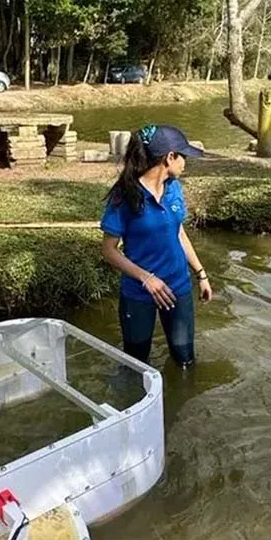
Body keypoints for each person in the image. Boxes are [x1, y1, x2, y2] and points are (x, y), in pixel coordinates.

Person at [100, 124, 213, 368]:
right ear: (169, 157)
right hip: (139, 293)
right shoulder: (125, 196)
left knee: (185, 360)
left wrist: (200, 273)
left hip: (178, 288)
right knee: (137, 364)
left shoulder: (174, 188)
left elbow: (179, 233)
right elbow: (108, 250)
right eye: (182, 156)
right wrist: (146, 278)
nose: (185, 162)